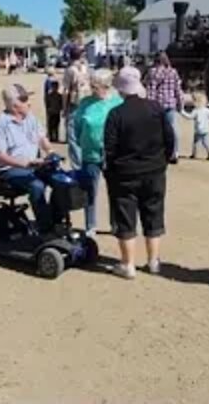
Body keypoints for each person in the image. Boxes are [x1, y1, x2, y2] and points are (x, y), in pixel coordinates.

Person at [103, 67, 174, 279]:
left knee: (125, 217)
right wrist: (162, 161)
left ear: (121, 89)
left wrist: (113, 169)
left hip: (125, 174)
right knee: (154, 213)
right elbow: (170, 139)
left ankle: (128, 264)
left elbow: (109, 147)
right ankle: (153, 261)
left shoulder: (116, 114)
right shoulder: (156, 108)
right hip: (154, 171)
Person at [0, 83, 56, 232]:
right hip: (10, 170)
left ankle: (56, 220)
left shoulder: (31, 118)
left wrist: (50, 151)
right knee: (36, 185)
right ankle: (45, 229)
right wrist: (26, 163)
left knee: (62, 180)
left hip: (33, 166)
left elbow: (41, 138)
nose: (29, 103)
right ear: (14, 105)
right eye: (24, 100)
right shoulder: (0, 123)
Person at [70, 69, 123, 236]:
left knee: (115, 190)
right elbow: (77, 126)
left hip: (112, 154)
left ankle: (116, 224)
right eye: (92, 86)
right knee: (89, 191)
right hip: (90, 154)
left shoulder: (118, 103)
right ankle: (90, 225)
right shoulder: (85, 103)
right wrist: (82, 144)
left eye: (97, 87)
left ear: (107, 86)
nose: (93, 90)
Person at [144, 53, 184, 164]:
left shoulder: (152, 72)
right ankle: (174, 153)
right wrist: (180, 105)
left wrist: (148, 105)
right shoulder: (173, 72)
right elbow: (178, 90)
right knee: (172, 129)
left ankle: (157, 153)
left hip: (157, 105)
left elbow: (150, 91)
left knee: (156, 130)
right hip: (170, 104)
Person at [179, 91, 209, 160]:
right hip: (206, 130)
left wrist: (182, 112)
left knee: (195, 143)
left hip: (198, 130)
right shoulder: (207, 110)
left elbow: (189, 117)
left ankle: (194, 154)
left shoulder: (196, 111)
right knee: (205, 142)